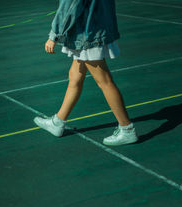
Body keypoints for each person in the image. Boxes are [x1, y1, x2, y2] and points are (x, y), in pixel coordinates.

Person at [33, 0, 138, 146]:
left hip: (88, 34)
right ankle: (58, 122)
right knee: (74, 77)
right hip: (96, 29)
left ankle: (127, 129)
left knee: (105, 81)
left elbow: (69, 6)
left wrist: (54, 35)